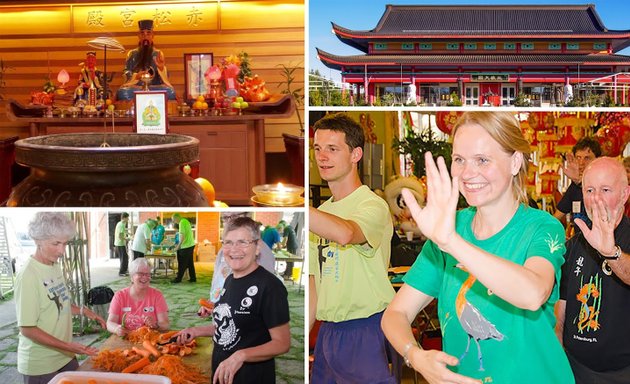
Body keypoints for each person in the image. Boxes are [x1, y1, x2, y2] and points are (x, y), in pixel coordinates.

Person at [381, 111, 574, 383]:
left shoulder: (540, 227)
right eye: (459, 160)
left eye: (482, 160)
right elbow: (396, 313)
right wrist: (415, 356)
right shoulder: (451, 228)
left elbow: (533, 293)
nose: (467, 173)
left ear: (515, 162)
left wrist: (451, 242)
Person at [309, 113, 398, 383]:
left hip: (367, 327)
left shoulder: (372, 205)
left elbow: (347, 233)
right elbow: (315, 284)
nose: (322, 156)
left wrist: (298, 206)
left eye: (332, 149)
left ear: (355, 154)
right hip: (328, 333)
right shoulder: (321, 213)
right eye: (317, 149)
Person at [176, 216, 290, 384]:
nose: (234, 249)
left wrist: (241, 355)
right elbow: (229, 326)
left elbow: (282, 343)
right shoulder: (230, 280)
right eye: (228, 242)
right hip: (222, 373)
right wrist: (196, 331)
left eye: (243, 242)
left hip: (251, 377)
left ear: (257, 247)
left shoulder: (270, 286)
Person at [556, 157, 630, 383]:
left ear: (625, 195)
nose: (596, 198)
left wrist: (611, 252)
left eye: (605, 189)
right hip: (575, 368)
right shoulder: (573, 245)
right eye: (589, 190)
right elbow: (561, 312)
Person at [15, 212, 106, 383]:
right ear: (38, 240)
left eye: (64, 243)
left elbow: (59, 303)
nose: (61, 251)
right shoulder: (28, 275)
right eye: (56, 243)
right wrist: (69, 346)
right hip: (42, 363)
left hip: (65, 356)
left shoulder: (53, 265)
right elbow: (27, 328)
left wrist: (85, 311)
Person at [107, 258, 169, 336]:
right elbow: (110, 323)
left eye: (148, 274)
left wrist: (156, 325)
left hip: (150, 339)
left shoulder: (157, 296)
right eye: (140, 274)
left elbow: (165, 324)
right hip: (126, 339)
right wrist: (117, 329)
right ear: (132, 277)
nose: (145, 277)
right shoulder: (120, 296)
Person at [116, 19, 176, 101]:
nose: (145, 36)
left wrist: (161, 69)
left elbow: (165, 79)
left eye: (148, 33)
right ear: (139, 36)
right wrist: (136, 76)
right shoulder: (132, 53)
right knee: (123, 93)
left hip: (154, 88)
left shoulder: (158, 53)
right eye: (142, 33)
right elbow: (126, 72)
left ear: (152, 36)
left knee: (170, 92)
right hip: (137, 88)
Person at [553, 137, 602, 230]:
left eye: (587, 158)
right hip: (579, 242)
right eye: (578, 158)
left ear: (597, 160)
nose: (581, 163)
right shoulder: (575, 185)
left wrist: (579, 182)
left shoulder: (604, 182)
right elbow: (557, 216)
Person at [171, 213, 196, 283]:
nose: (174, 222)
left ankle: (178, 279)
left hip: (186, 246)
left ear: (176, 218)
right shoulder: (186, 221)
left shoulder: (181, 223)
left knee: (182, 263)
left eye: (173, 220)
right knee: (190, 263)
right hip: (191, 244)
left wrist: (178, 247)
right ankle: (193, 278)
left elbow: (182, 237)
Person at [115, 212, 130, 276]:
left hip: (121, 244)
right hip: (120, 244)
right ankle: (121, 272)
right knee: (123, 258)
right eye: (127, 218)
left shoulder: (121, 224)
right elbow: (120, 237)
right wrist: (127, 239)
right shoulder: (121, 225)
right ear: (124, 218)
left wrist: (130, 234)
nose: (128, 219)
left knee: (125, 257)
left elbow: (124, 231)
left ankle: (124, 270)